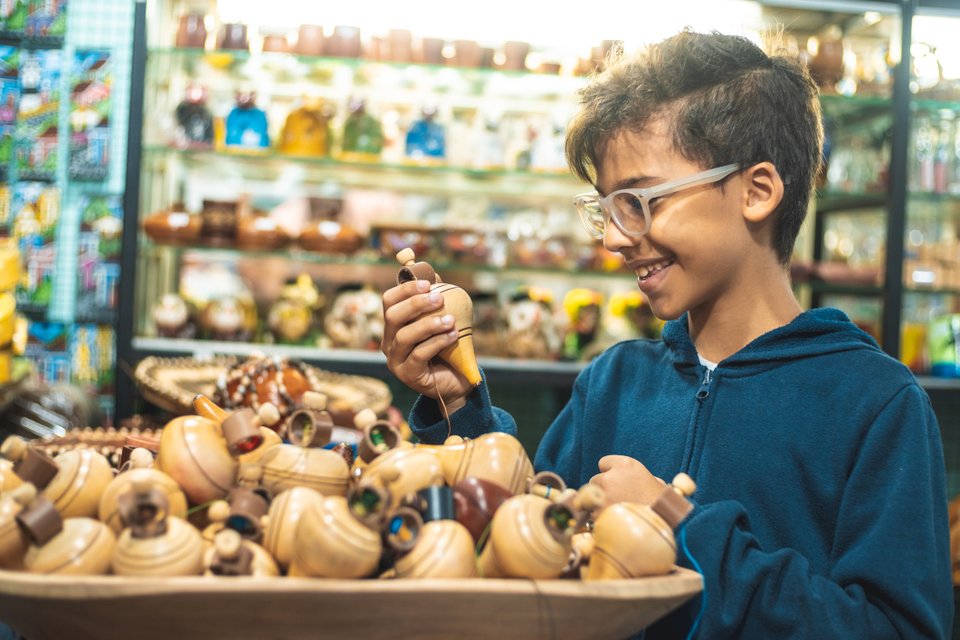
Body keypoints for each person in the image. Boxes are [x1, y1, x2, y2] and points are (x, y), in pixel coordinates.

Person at [380, 30, 952, 639]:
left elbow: (897, 629)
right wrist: (459, 403)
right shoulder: (613, 382)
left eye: (638, 201)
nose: (613, 238)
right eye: (605, 207)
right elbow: (520, 549)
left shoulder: (874, 403)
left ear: (756, 191)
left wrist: (675, 523)